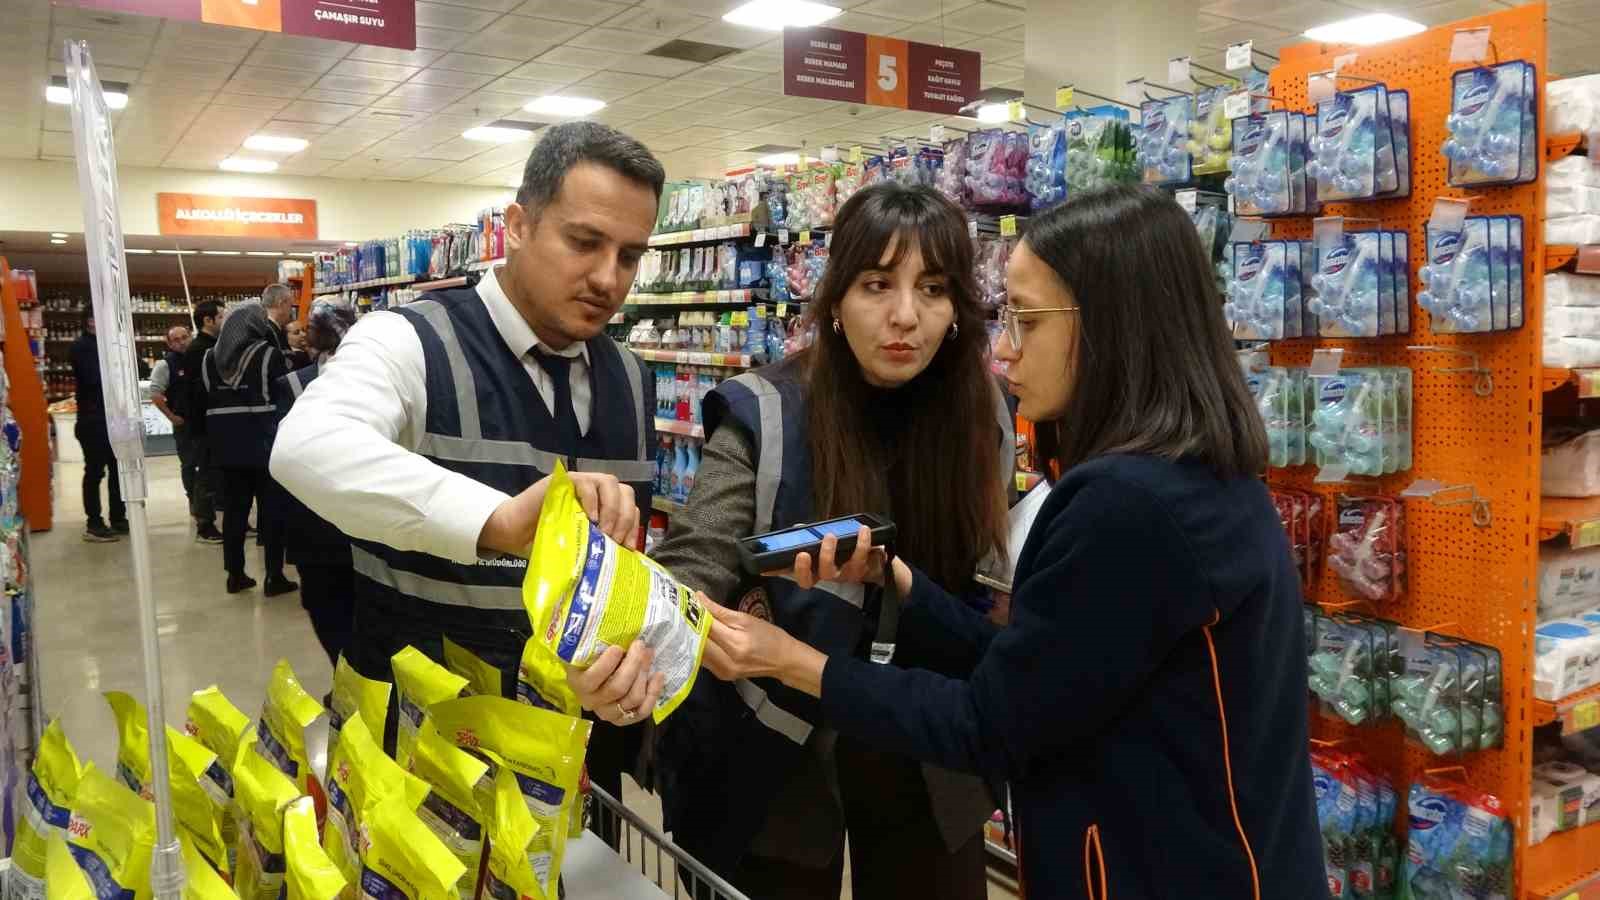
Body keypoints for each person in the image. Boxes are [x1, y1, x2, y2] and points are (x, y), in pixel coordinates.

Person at [687, 185, 1325, 899]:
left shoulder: (1120, 500)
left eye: (1023, 318)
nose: (1005, 347)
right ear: (835, 298)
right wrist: (903, 589)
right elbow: (1053, 671)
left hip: (1137, 857)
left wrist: (796, 661)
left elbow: (993, 719)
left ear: (1109, 325)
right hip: (788, 774)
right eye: (875, 285)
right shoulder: (1209, 473)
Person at [570, 183, 1013, 899]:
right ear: (836, 297)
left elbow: (983, 588)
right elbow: (696, 559)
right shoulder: (766, 409)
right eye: (877, 285)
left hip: (927, 739)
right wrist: (635, 641)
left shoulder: (981, 409)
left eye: (932, 288)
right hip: (770, 745)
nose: (907, 316)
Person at [271, 121, 657, 829]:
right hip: (423, 765)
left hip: (569, 765)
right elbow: (307, 444)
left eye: (630, 255)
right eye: (584, 242)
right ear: (517, 225)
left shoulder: (633, 380)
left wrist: (627, 661)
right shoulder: (408, 338)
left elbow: (625, 568)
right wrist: (497, 521)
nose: (609, 278)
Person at [272, 304, 359, 663]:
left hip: (313, 520)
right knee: (356, 602)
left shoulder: (290, 385)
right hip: (359, 517)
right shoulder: (377, 381)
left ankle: (346, 673)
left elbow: (279, 461)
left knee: (326, 603)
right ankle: (354, 678)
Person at [204, 286, 298, 596]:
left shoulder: (208, 359)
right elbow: (280, 395)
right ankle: (274, 576)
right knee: (271, 513)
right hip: (262, 444)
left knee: (234, 514)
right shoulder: (266, 353)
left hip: (225, 449)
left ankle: (235, 574)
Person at [70, 308, 127, 542]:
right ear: (89, 322)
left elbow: (140, 367)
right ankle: (94, 522)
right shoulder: (82, 347)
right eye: (95, 319)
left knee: (117, 470)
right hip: (92, 419)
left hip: (114, 417)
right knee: (94, 471)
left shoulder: (112, 345)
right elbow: (93, 378)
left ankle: (119, 517)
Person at [182, 301, 225, 544]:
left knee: (219, 472)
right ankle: (204, 524)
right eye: (220, 316)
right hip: (204, 422)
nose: (223, 321)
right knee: (205, 473)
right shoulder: (199, 349)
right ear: (207, 321)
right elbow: (201, 390)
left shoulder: (214, 345)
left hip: (216, 421)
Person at [150, 325, 195, 504]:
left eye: (185, 337)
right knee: (189, 464)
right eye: (176, 340)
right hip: (183, 422)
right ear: (169, 343)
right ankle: (192, 499)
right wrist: (171, 417)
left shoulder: (199, 357)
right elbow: (155, 394)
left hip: (203, 420)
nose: (182, 342)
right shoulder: (165, 365)